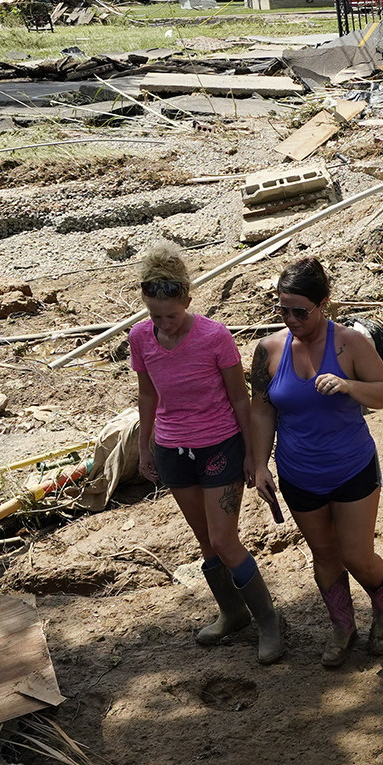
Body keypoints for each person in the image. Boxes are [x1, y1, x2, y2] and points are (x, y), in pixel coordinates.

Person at [131, 245, 283, 665]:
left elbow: (241, 400)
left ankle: (268, 621)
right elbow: (147, 394)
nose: (164, 324)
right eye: (154, 315)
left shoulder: (215, 337)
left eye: (171, 315)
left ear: (188, 301)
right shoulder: (140, 338)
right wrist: (145, 447)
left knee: (223, 538)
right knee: (205, 542)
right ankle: (232, 613)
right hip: (172, 448)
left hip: (219, 445)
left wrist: (255, 458)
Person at [250, 258, 383, 668]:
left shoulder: (350, 343)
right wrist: (259, 464)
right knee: (324, 554)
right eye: (283, 310)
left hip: (352, 467)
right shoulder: (267, 350)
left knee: (356, 554)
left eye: (302, 310)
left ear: (325, 304)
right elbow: (261, 411)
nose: (292, 319)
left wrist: (349, 385)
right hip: (299, 474)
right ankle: (342, 627)